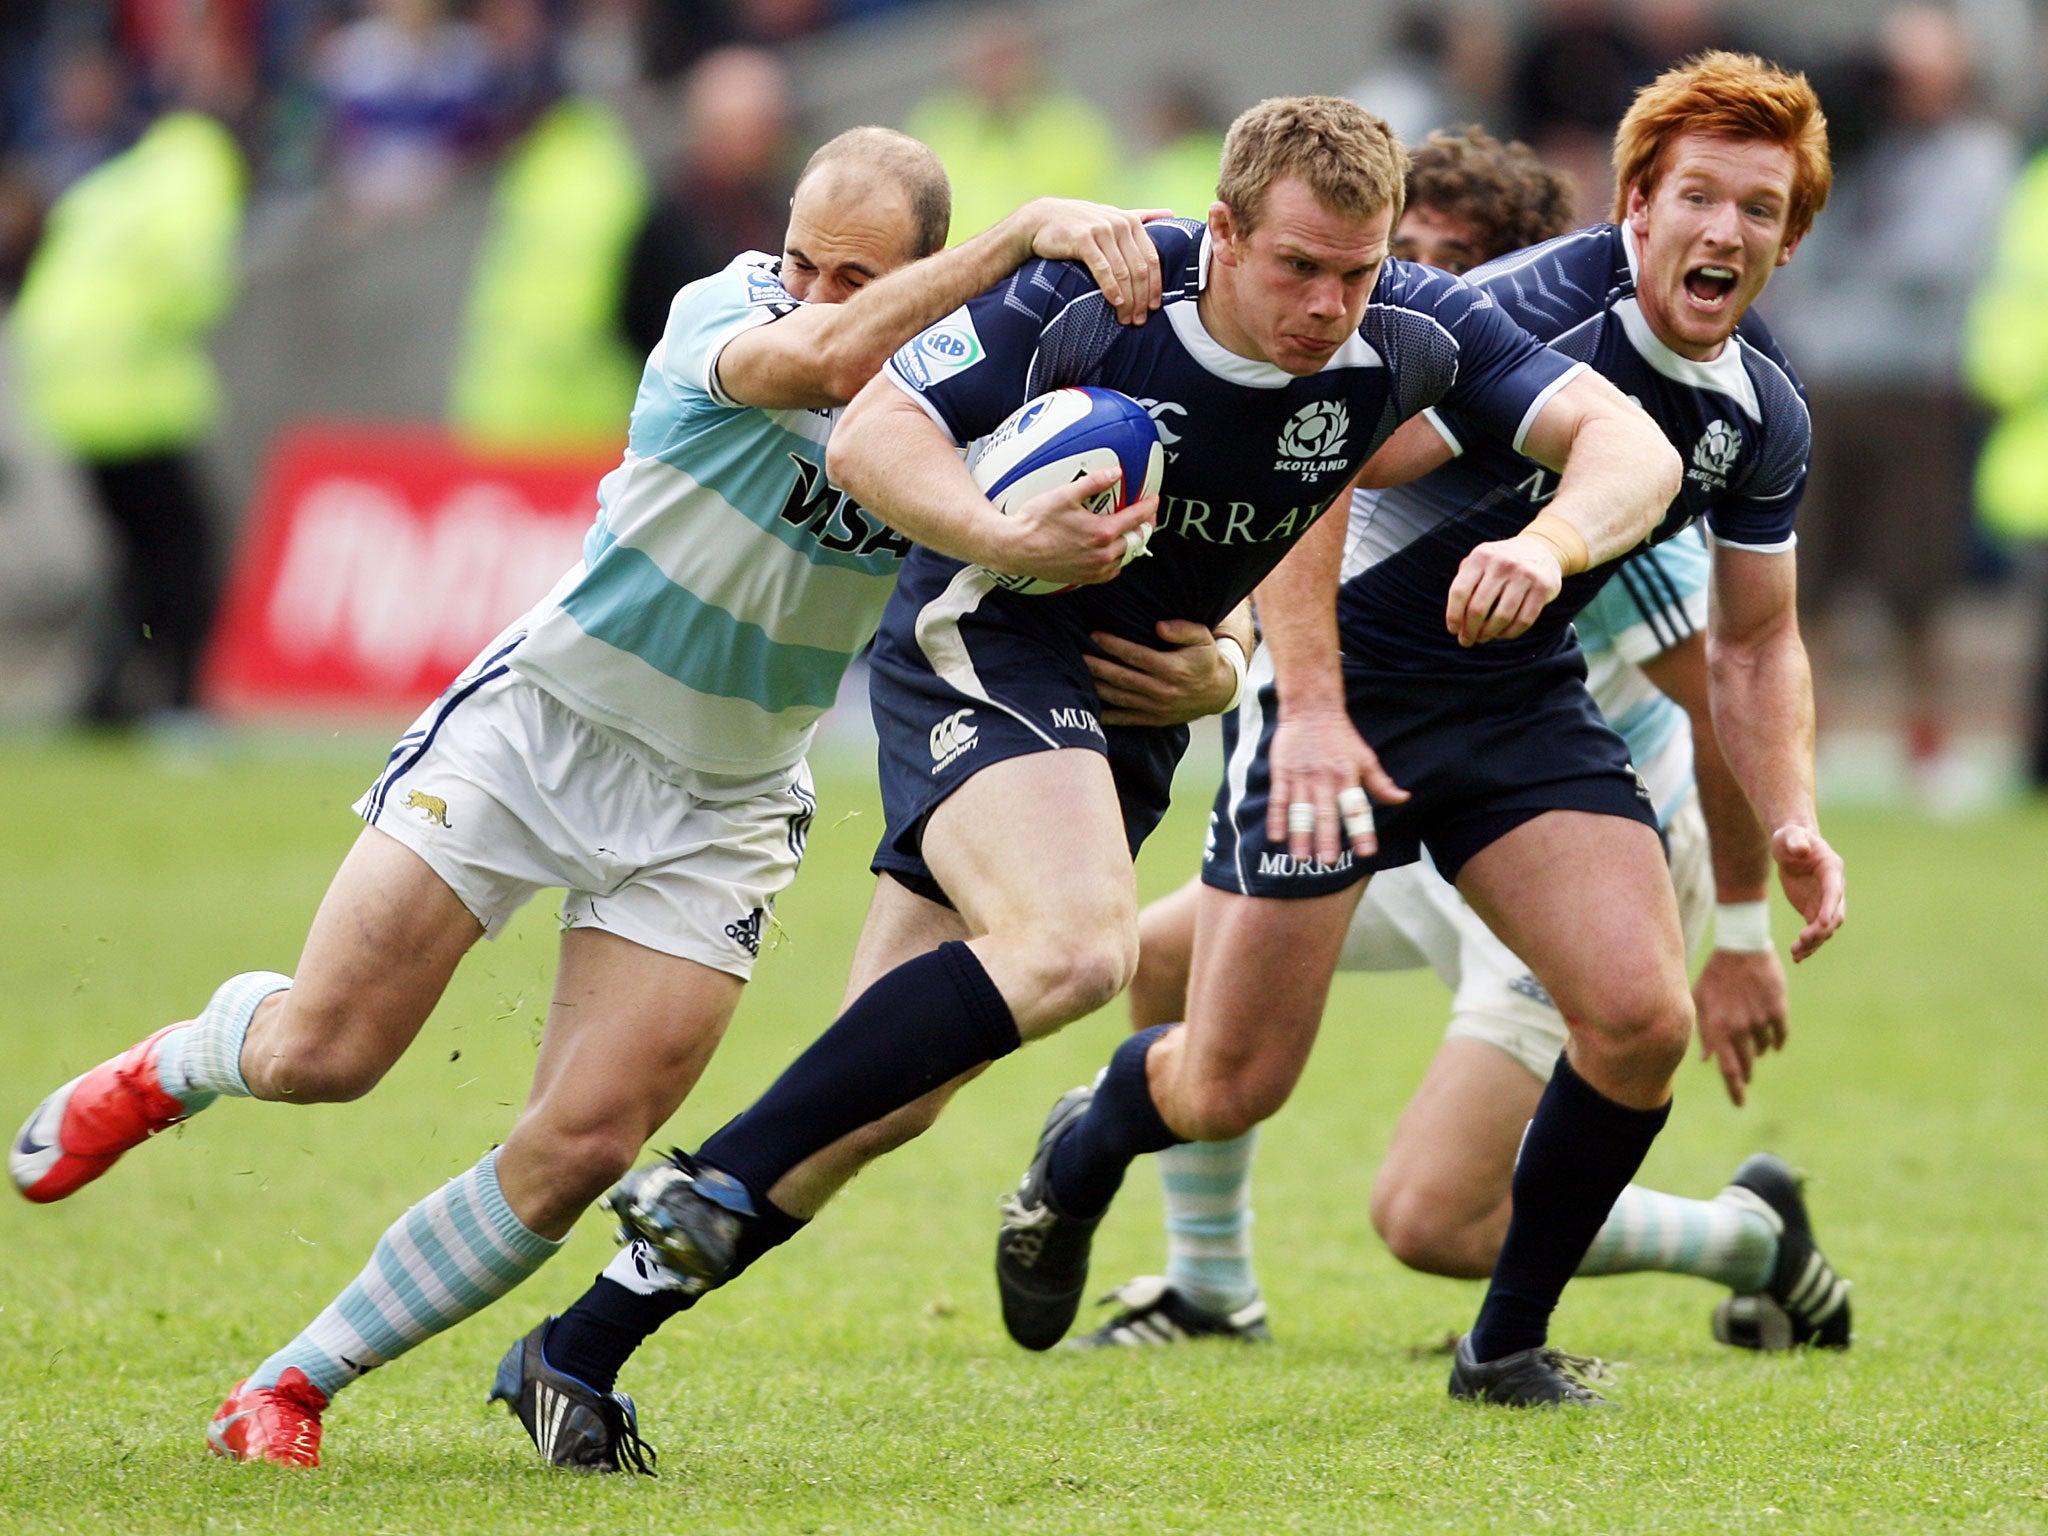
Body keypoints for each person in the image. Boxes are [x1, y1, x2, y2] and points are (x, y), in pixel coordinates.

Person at [8, 126, 1189, 1470]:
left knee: (583, 1146)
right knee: (323, 1058)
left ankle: (291, 1384)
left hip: (723, 806)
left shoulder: (968, 400)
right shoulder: (727, 314)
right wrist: (1023, 229)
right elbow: (812, 363)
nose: (812, 288)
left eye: (854, 274)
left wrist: (1207, 662)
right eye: (802, 256)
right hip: (542, 732)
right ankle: (183, 1059)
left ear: (919, 272)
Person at [553, 93, 1676, 1453]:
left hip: (1132, 715)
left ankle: (578, 1347)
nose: (1331, 306)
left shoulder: (1413, 330)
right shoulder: (1108, 285)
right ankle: (708, 1180)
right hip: (988, 636)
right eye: (1298, 268)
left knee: (879, 1098)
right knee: (1077, 949)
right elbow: (869, 435)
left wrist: (1546, 548)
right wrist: (1001, 534)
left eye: (1357, 272)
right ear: (1221, 232)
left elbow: (1634, 448)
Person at [990, 53, 1845, 1407]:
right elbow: (1309, 454)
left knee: (1634, 1018)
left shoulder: (1766, 415)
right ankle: (1085, 1149)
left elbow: (1751, 644)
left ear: (1789, 239)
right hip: (1351, 693)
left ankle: (1502, 1349)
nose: (1724, 231)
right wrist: (1310, 706)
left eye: (1759, 209)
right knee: (1231, 1078)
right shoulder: (1530, 309)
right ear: (1637, 205)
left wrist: (1788, 817)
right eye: (1699, 197)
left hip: (1513, 701)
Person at [1768, 7, 2019, 801]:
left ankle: (1926, 747)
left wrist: (1858, 208)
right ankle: (1818, 743)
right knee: (1808, 576)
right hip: (1823, 381)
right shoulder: (1839, 151)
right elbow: (1792, 245)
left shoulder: (1975, 153)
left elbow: (1934, 261)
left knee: (1918, 581)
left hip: (1918, 386)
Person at [8, 86, 244, 727]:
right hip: (127, 389)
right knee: (185, 548)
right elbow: (193, 286)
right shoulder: (201, 174)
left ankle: (106, 697)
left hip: (62, 387)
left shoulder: (121, 180)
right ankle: (180, 700)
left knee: (139, 552)